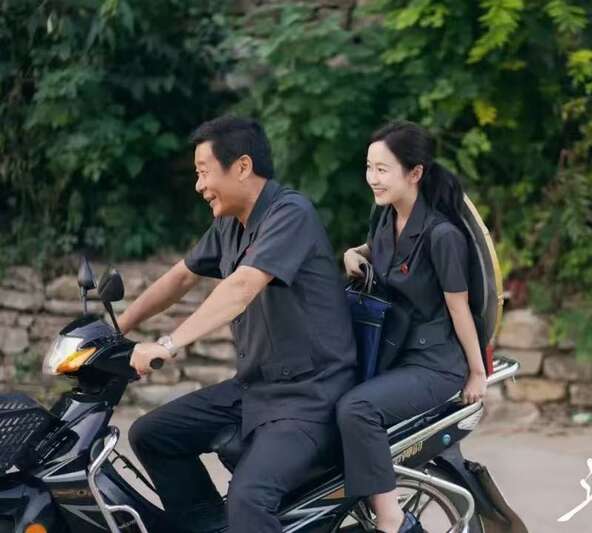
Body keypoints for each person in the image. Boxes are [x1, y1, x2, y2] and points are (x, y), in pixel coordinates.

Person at [120, 116, 358, 533]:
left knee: (250, 500)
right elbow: (180, 277)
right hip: (255, 388)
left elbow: (242, 286)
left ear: (243, 166)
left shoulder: (290, 214)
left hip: (309, 397)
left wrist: (168, 344)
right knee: (150, 434)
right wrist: (118, 327)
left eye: (204, 172)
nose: (199, 186)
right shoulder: (230, 225)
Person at [338, 121, 488, 533]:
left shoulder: (442, 236)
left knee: (357, 409)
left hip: (434, 363)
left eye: (382, 169)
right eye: (369, 167)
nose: (372, 178)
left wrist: (476, 372)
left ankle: (393, 520)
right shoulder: (385, 217)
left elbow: (459, 309)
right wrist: (353, 253)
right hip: (392, 350)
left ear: (415, 172)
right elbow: (378, 252)